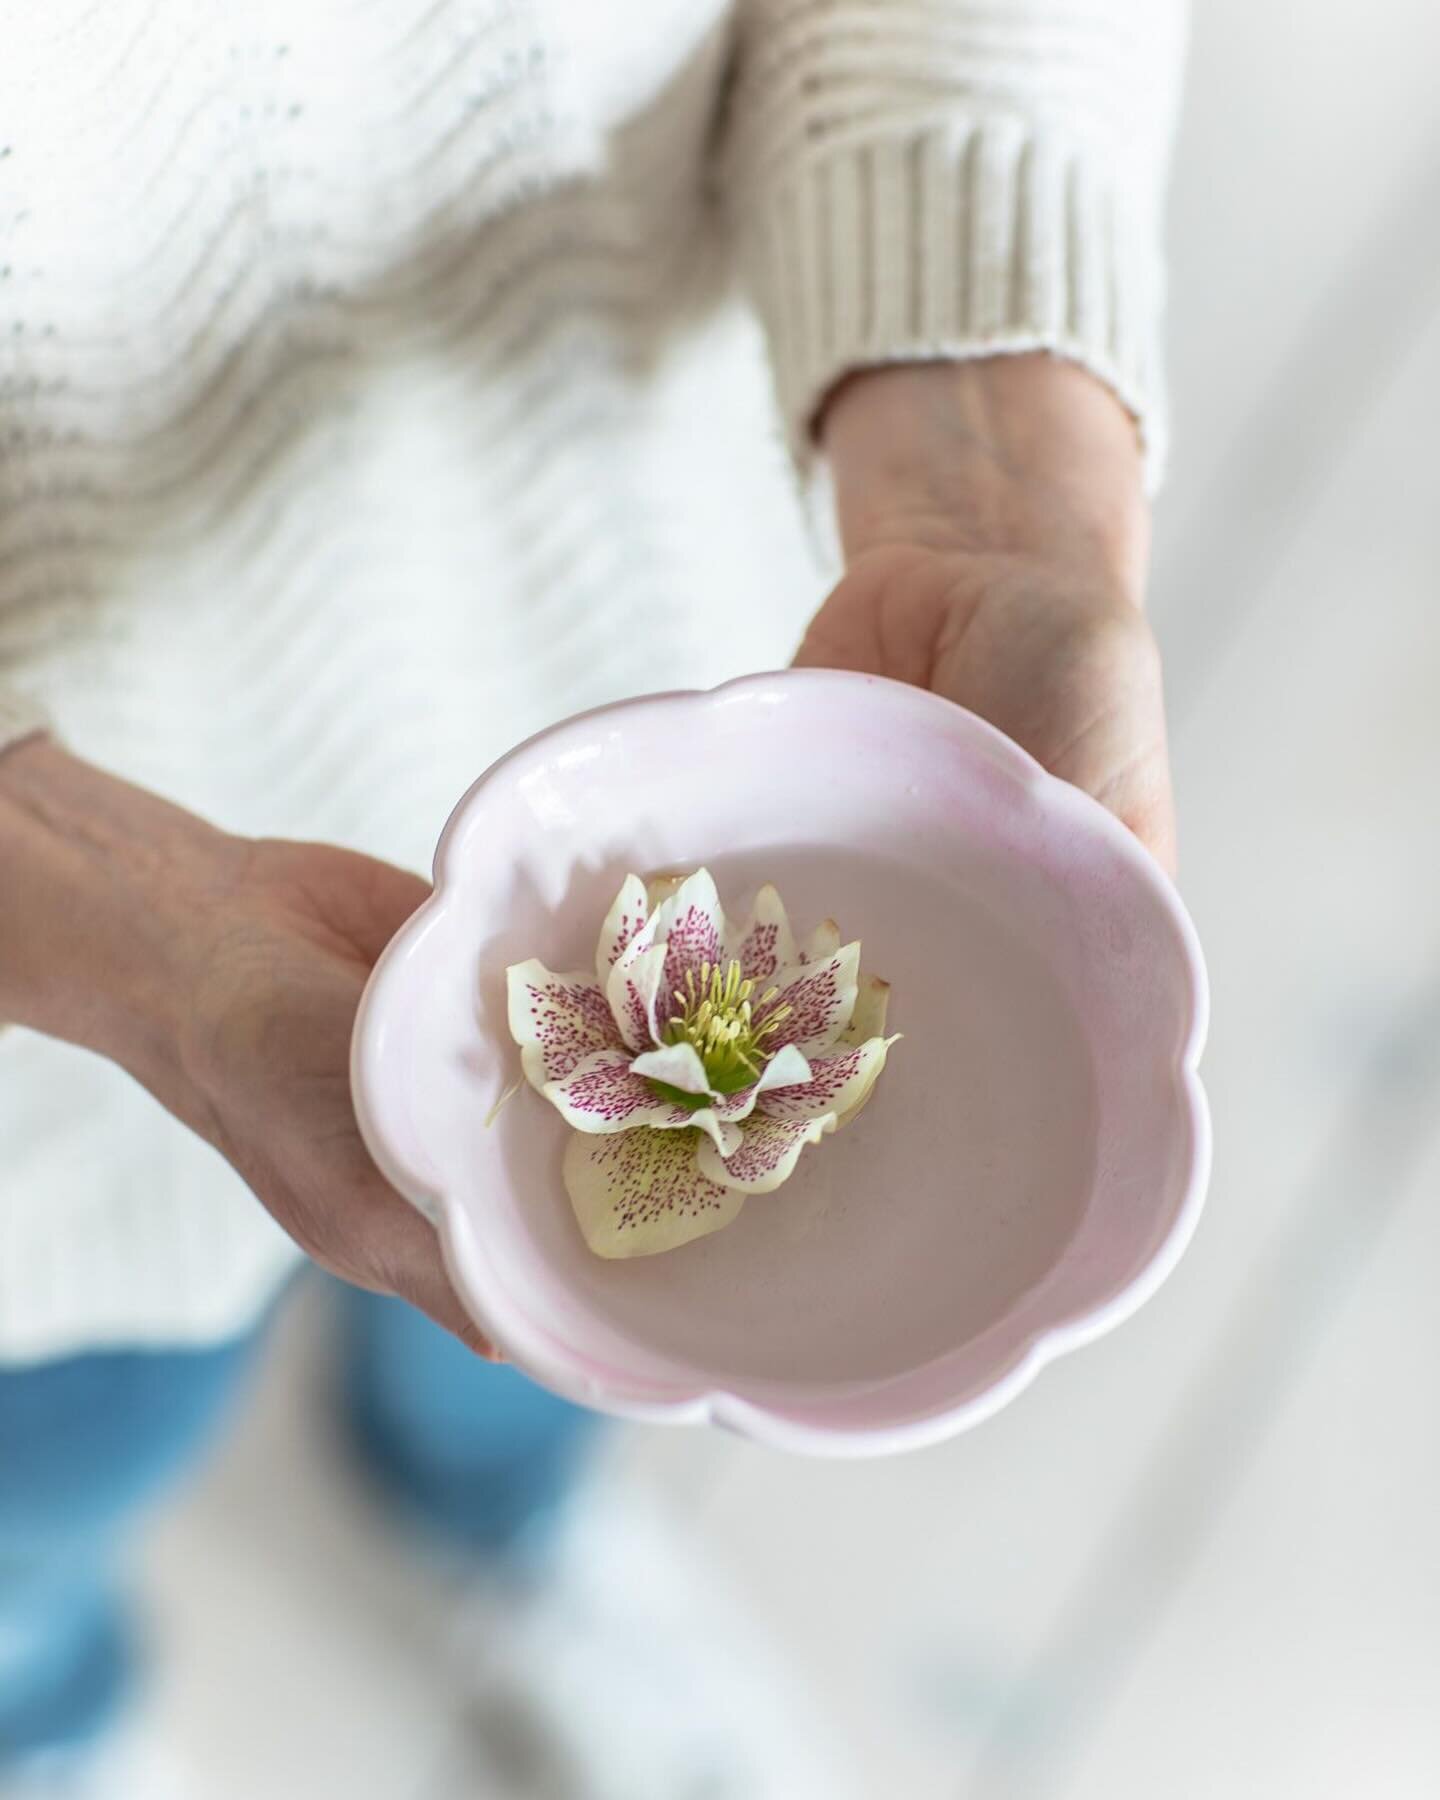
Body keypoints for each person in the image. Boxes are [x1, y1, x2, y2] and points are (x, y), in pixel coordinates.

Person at [0, 0, 1184, 1791]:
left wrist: (986, 468)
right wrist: (101, 914)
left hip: (669, 624)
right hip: (36, 1043)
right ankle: (49, 1708)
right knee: (44, 1481)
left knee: (534, 1357)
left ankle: (504, 1535)